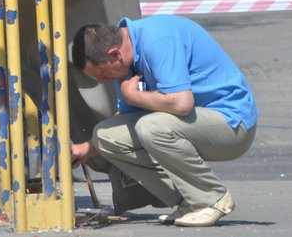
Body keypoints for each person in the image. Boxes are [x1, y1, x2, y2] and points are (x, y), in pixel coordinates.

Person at [69, 15, 258, 227]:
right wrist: (86, 149)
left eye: (102, 73)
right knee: (105, 135)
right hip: (195, 122)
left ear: (115, 55)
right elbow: (125, 118)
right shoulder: (127, 58)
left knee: (150, 127)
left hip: (233, 125)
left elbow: (182, 104)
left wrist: (134, 96)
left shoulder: (158, 40)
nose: (101, 80)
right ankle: (190, 200)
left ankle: (211, 198)